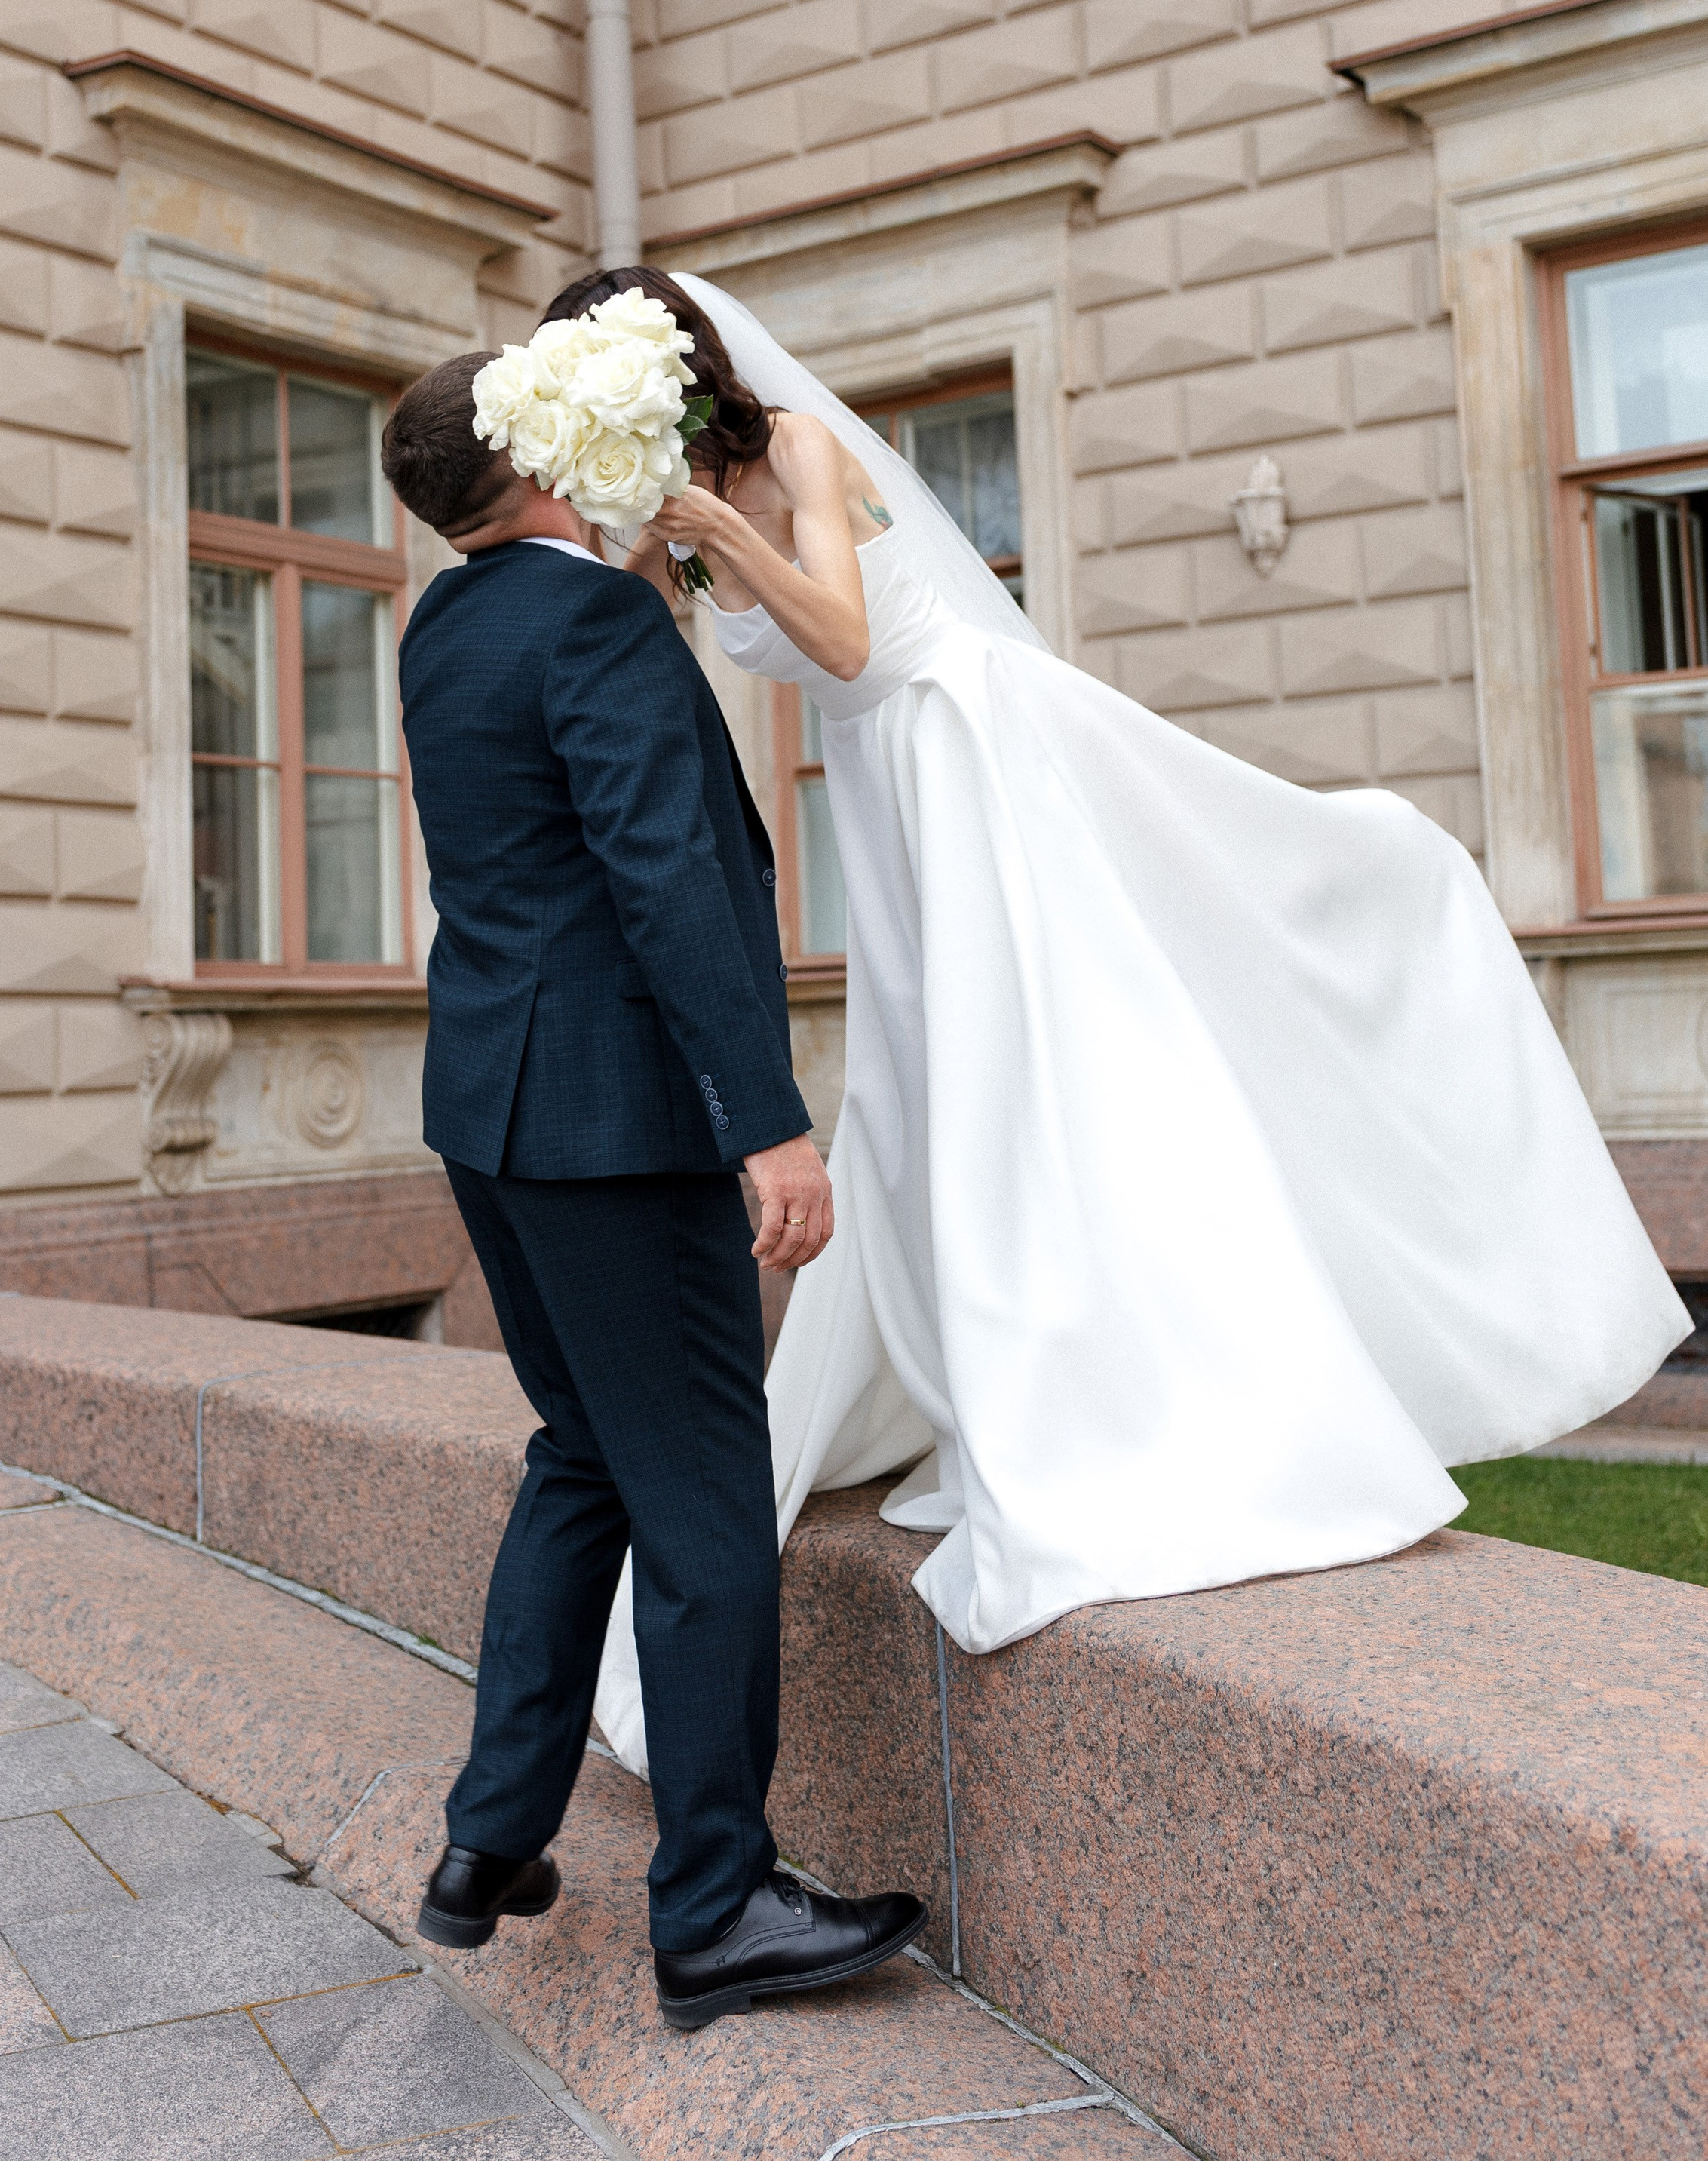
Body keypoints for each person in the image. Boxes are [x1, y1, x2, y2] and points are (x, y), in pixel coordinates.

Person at [534, 271, 1695, 1779]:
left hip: (969, 761)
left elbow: (836, 630)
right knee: (927, 1100)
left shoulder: (801, 456)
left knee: (1039, 1083)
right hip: (885, 807)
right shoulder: (676, 500)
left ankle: (1139, 1399)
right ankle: (974, 1385)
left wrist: (723, 537)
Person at [379, 352, 925, 2031]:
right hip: (619, 1129)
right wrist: (762, 1126)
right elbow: (667, 874)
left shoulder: (448, 627)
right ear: (548, 461)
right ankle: (712, 1910)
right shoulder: (592, 625)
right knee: (697, 1498)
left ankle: (491, 1845)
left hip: (493, 1114)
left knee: (583, 1459)